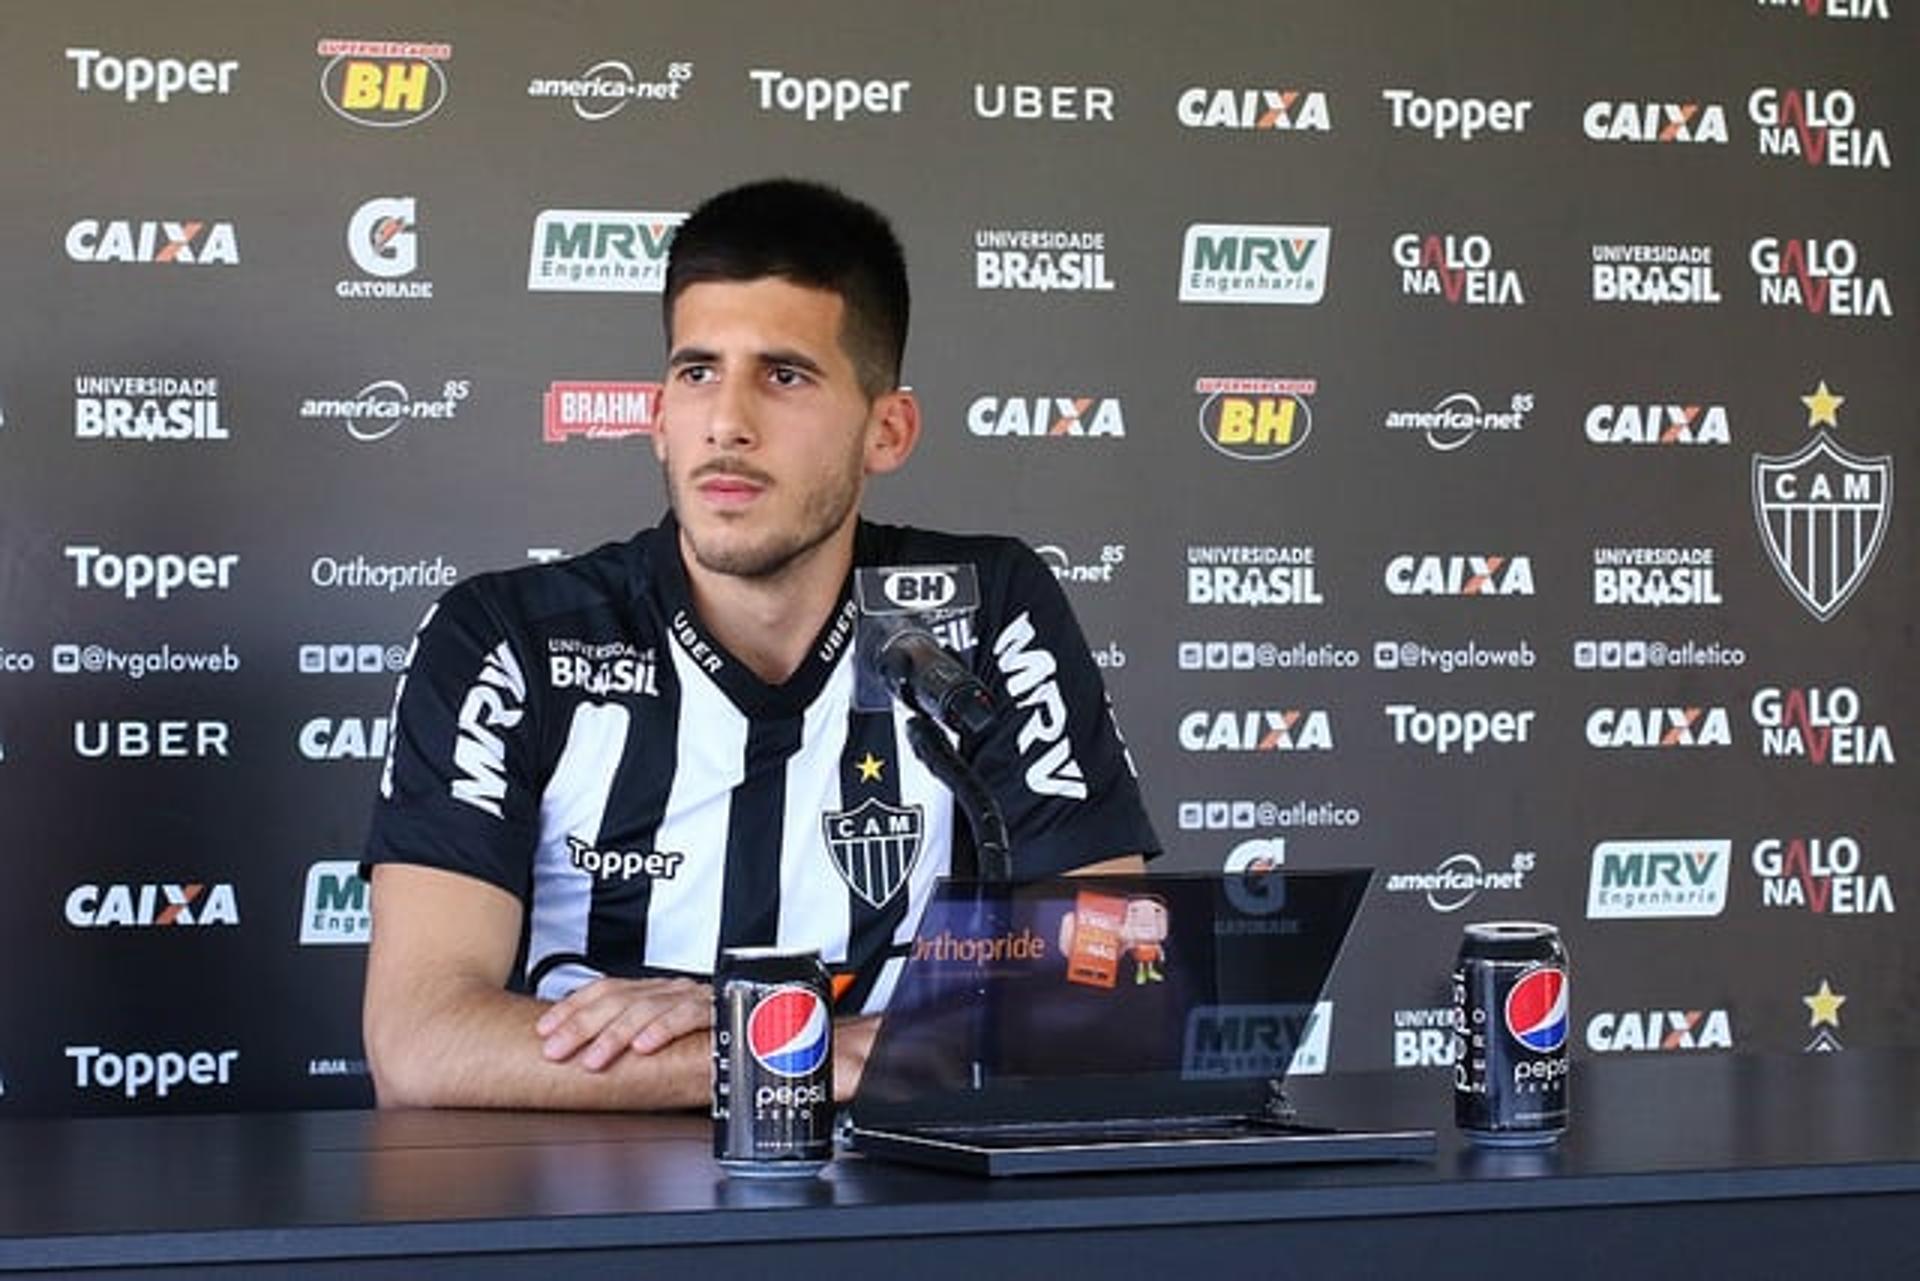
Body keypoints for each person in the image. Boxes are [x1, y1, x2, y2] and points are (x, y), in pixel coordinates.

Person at [361, 179, 1159, 1110]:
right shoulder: (510, 636)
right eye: (696, 372)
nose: (726, 421)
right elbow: (418, 1039)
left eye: (785, 375)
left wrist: (732, 1035)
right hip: (585, 1227)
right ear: (658, 414)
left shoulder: (983, 612)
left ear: (887, 429)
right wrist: (786, 1043)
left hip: (902, 1218)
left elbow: (1110, 988)